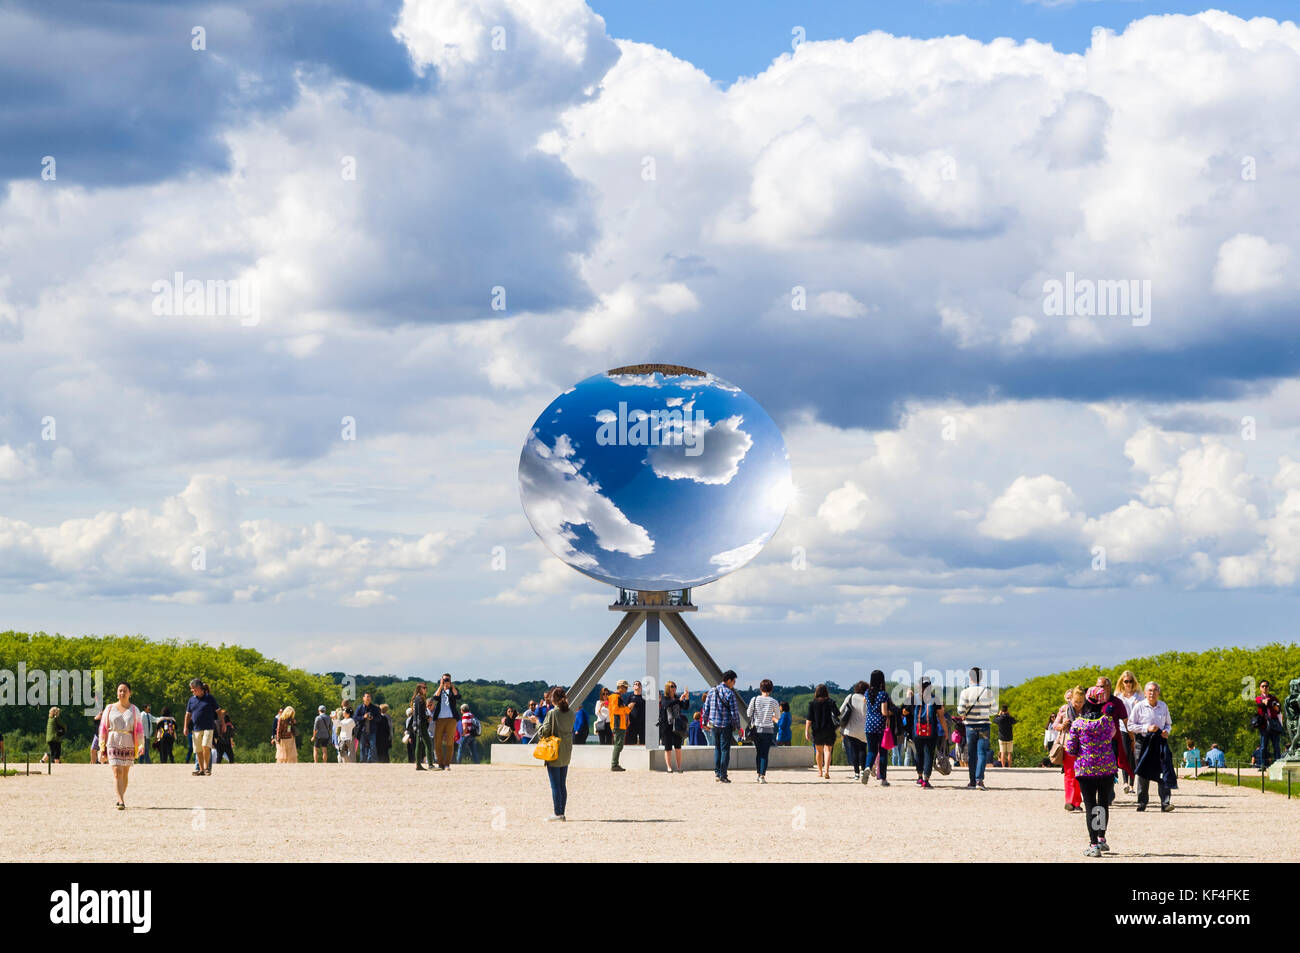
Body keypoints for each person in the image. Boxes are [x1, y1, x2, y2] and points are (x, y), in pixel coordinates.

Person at [1063, 686, 1118, 857]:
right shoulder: (1107, 721)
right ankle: (1101, 838)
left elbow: (1071, 748)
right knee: (1102, 804)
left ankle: (1093, 843)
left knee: (1090, 805)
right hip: (1106, 768)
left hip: (1086, 769)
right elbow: (1112, 736)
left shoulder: (1079, 723)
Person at [1129, 680, 1175, 812]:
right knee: (1143, 773)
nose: (1152, 693)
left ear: (1158, 693)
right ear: (1145, 693)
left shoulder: (1163, 706)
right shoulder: (1139, 707)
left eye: (1155, 690)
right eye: (1150, 690)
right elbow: (1130, 726)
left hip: (1159, 743)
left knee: (1163, 771)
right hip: (1142, 742)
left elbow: (1168, 724)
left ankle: (1165, 803)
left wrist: (1167, 731)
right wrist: (1146, 728)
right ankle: (1142, 802)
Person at [99, 682, 144, 810]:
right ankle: (121, 800)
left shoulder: (135, 710)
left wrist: (141, 745)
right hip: (113, 740)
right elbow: (102, 728)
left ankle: (120, 796)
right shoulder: (109, 708)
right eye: (120, 690)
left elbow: (140, 730)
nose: (122, 693)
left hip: (128, 741)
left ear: (130, 693)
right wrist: (102, 746)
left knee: (124, 772)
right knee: (117, 772)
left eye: (125, 691)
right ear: (117, 693)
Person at [536, 686, 577, 820]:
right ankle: (562, 812)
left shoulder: (553, 713)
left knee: (555, 785)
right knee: (562, 784)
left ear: (553, 700)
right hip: (566, 750)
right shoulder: (571, 713)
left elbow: (544, 731)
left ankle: (557, 813)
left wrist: (537, 723)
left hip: (555, 750)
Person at [957, 667, 994, 790]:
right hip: (984, 726)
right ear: (981, 677)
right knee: (982, 753)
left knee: (971, 754)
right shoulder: (988, 692)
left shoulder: (965, 692)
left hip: (970, 726)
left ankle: (972, 781)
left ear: (970, 677)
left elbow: (961, 710)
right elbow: (993, 710)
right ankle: (979, 780)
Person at [704, 670, 742, 782]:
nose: (734, 684)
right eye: (734, 681)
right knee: (725, 750)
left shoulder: (712, 691)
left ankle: (717, 773)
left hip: (714, 725)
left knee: (717, 748)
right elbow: (735, 713)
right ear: (729, 680)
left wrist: (704, 722)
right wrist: (738, 727)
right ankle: (723, 775)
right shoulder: (730, 693)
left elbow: (706, 708)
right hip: (725, 725)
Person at [911, 679, 948, 788]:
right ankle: (926, 780)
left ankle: (919, 777)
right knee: (929, 754)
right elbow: (941, 716)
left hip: (917, 731)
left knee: (919, 754)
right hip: (931, 731)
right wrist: (945, 731)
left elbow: (905, 713)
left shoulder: (913, 699)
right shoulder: (935, 699)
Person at [1055, 687, 1085, 811]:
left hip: (1083, 747)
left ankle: (1077, 802)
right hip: (1068, 745)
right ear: (1071, 699)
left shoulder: (1087, 710)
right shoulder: (1064, 709)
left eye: (1081, 702)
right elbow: (1055, 725)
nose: (1078, 705)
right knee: (1069, 774)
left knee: (1080, 775)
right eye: (1076, 702)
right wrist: (1062, 725)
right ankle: (1069, 801)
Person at [745, 679, 780, 782]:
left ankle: (758, 773)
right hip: (768, 730)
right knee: (765, 753)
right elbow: (778, 716)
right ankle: (762, 776)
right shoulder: (773, 701)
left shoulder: (754, 699)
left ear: (760, 688)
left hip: (756, 729)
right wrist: (771, 715)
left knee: (759, 752)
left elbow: (748, 713)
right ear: (771, 689)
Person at [183, 678, 219, 777]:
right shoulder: (191, 700)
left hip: (208, 727)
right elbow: (187, 715)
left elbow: (218, 711)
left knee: (205, 746)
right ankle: (201, 769)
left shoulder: (209, 698)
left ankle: (207, 768)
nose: (192, 691)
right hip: (196, 728)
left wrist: (223, 724)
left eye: (193, 689)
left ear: (199, 688)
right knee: (198, 749)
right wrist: (185, 727)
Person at [862, 670, 892, 786]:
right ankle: (883, 779)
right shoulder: (883, 694)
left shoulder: (866, 693)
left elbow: (865, 702)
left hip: (869, 724)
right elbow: (884, 712)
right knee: (883, 752)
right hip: (880, 725)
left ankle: (867, 767)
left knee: (871, 750)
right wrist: (891, 713)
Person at [805, 683, 838, 780]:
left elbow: (809, 719)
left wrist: (806, 731)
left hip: (817, 730)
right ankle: (827, 771)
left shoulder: (812, 704)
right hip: (829, 729)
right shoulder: (830, 702)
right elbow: (837, 713)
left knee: (819, 751)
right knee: (828, 750)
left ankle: (820, 771)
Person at [1114, 670, 1141, 792]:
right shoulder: (1118, 695)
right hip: (1122, 727)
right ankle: (1125, 782)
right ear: (1122, 682)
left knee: (1134, 755)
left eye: (1130, 681)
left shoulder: (1139, 695)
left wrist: (1138, 704)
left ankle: (1131, 784)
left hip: (1135, 727)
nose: (1128, 684)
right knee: (1125, 754)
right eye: (1126, 681)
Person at [430, 674, 462, 769]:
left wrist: (451, 686)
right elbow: (435, 697)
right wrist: (441, 686)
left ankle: (447, 764)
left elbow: (458, 696)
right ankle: (440, 763)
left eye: (447, 679)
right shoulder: (440, 690)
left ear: (450, 680)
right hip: (439, 719)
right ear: (441, 680)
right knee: (437, 742)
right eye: (444, 679)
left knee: (449, 742)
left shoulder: (453, 690)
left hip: (451, 719)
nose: (446, 681)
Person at [658, 681, 691, 773]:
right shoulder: (664, 698)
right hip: (667, 725)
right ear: (667, 688)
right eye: (672, 686)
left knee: (678, 746)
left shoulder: (676, 698)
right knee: (668, 747)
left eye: (675, 686)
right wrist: (679, 700)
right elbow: (667, 704)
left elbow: (685, 707)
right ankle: (669, 767)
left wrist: (687, 698)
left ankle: (679, 767)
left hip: (677, 725)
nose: (674, 688)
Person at [839, 681, 869, 781]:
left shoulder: (850, 697)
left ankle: (856, 773)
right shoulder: (866, 699)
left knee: (854, 751)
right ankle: (863, 770)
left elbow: (841, 710)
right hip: (864, 729)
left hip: (851, 729)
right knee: (863, 750)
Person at [1255, 680, 1283, 768]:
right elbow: (1259, 704)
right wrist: (1264, 702)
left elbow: (1278, 708)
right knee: (1263, 746)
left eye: (1266, 686)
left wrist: (1275, 706)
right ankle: (1262, 765)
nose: (1265, 688)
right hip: (1264, 725)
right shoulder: (1258, 698)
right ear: (1260, 688)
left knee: (1276, 745)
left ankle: (1278, 764)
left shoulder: (1273, 698)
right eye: (1263, 686)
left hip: (1273, 724)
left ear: (1268, 687)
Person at [608, 680, 632, 772]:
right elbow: (616, 710)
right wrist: (627, 708)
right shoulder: (615, 697)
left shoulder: (617, 697)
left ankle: (615, 764)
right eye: (625, 687)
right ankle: (614, 764)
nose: (627, 689)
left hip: (619, 724)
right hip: (617, 724)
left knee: (619, 745)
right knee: (618, 745)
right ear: (620, 687)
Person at [354, 692, 381, 764]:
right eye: (367, 697)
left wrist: (372, 718)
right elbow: (355, 718)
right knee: (362, 747)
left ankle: (372, 761)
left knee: (372, 746)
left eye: (369, 697)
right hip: (362, 730)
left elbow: (379, 718)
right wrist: (363, 717)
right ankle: (363, 761)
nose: (368, 698)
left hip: (372, 730)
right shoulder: (360, 708)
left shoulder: (374, 708)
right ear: (363, 698)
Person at [410, 682, 432, 770]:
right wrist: (427, 718)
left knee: (419, 745)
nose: (426, 689)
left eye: (426, 687)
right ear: (419, 689)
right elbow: (419, 714)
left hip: (418, 724)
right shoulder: (419, 699)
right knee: (428, 744)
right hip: (420, 724)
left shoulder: (417, 698)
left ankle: (418, 765)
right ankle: (429, 764)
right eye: (424, 687)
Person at [627, 680, 646, 746]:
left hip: (643, 723)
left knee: (643, 742)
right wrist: (629, 706)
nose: (637, 685)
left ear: (641, 687)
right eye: (635, 684)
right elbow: (626, 709)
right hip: (632, 723)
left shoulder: (644, 697)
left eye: (639, 684)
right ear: (633, 687)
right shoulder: (630, 696)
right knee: (631, 742)